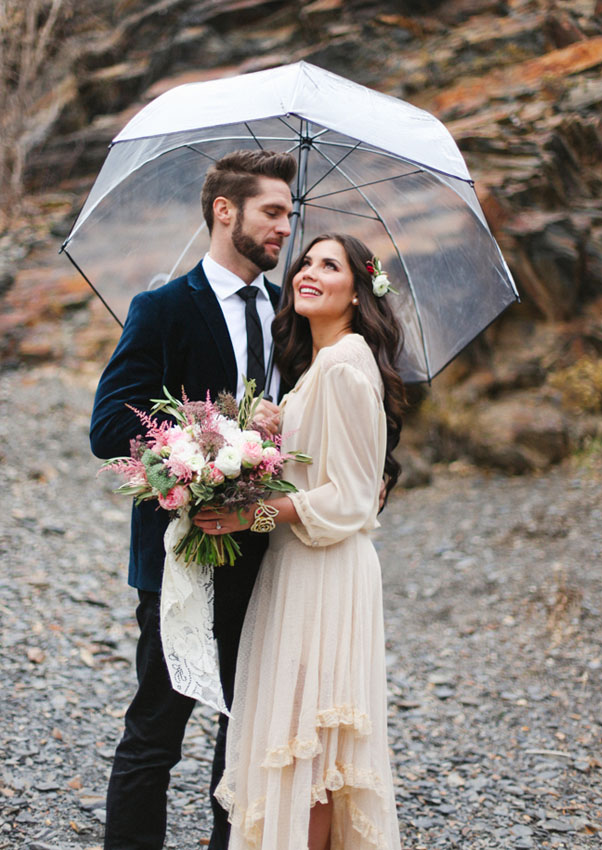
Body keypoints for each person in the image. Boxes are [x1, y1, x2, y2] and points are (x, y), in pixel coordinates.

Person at [89, 148, 297, 850]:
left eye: (290, 217)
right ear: (224, 210)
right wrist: (220, 432)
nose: (284, 231)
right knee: (156, 733)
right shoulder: (163, 308)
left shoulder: (288, 313)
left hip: (268, 554)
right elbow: (110, 426)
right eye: (272, 213)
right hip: (181, 555)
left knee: (245, 738)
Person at [194, 233, 407, 849]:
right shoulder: (325, 365)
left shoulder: (343, 364)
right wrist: (270, 427)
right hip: (304, 568)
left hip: (323, 570)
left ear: (358, 291)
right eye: (306, 262)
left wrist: (249, 517)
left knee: (307, 755)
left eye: (330, 266)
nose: (309, 273)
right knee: (303, 752)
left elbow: (350, 498)